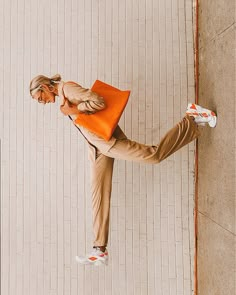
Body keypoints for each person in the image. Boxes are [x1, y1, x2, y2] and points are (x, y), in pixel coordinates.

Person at [29, 74, 217, 266]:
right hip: (98, 150)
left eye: (39, 98)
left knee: (153, 156)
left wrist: (74, 109)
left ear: (44, 87)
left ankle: (192, 118)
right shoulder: (63, 97)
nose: (42, 103)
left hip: (108, 143)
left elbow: (98, 101)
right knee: (98, 195)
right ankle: (99, 249)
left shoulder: (68, 89)